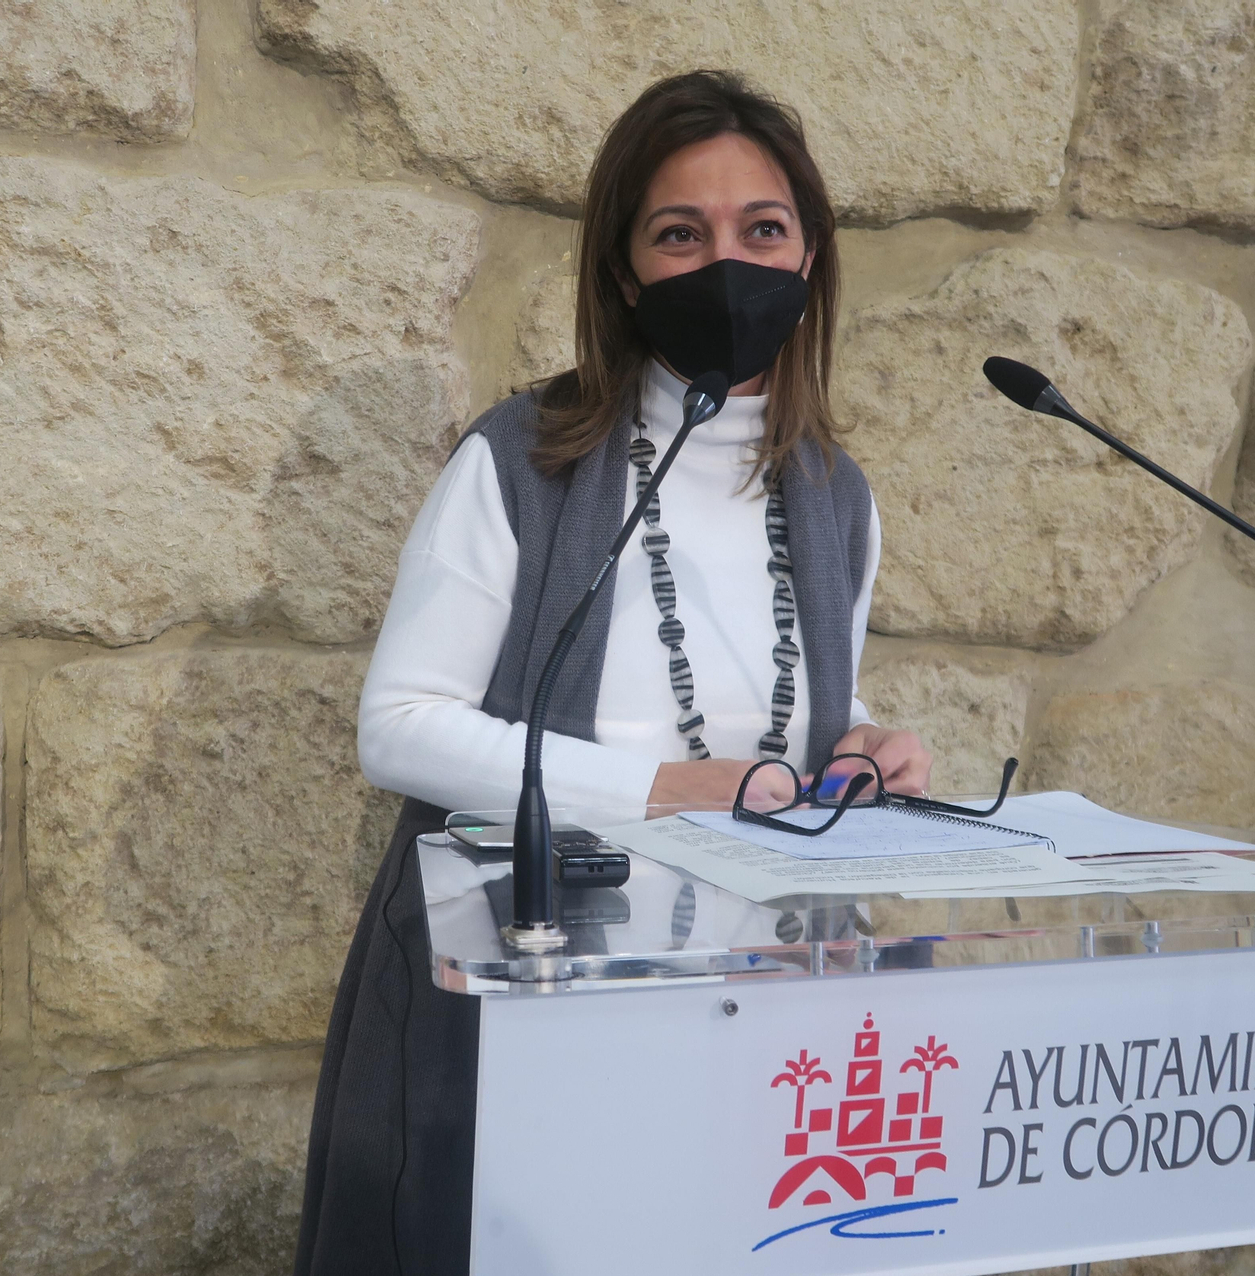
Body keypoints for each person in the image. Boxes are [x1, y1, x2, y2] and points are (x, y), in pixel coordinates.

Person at [292, 69, 932, 1276]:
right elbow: (401, 729)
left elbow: (789, 719)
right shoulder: (521, 461)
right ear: (624, 271)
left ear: (810, 262)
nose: (724, 263)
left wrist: (856, 747)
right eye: (679, 234)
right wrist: (666, 789)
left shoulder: (837, 493)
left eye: (763, 230)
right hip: (535, 997)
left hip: (751, 1006)